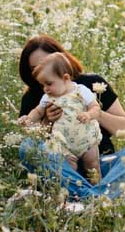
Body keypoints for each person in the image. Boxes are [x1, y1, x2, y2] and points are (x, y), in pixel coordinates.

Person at [15, 35, 125, 200]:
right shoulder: (35, 97)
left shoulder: (90, 85)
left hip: (103, 166)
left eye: (45, 63)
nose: (41, 71)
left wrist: (95, 113)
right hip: (65, 170)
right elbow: (33, 144)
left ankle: (87, 198)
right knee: (28, 147)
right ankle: (96, 199)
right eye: (35, 68)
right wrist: (47, 121)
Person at [22, 52, 102, 182]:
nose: (45, 89)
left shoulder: (80, 90)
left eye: (49, 83)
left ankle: (98, 190)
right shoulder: (48, 97)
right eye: (43, 85)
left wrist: (88, 114)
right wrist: (28, 119)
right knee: (68, 171)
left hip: (86, 140)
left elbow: (96, 108)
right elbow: (38, 111)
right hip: (63, 144)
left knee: (92, 167)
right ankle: (75, 195)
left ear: (65, 78)